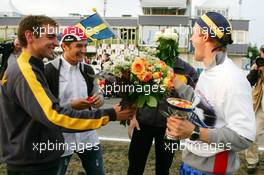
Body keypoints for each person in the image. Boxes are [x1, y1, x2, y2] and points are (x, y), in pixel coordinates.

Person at [0, 15, 135, 175]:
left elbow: (41, 110)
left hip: (63, 145)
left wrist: (98, 99)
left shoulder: (34, 67)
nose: (56, 43)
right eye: (51, 37)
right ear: (30, 36)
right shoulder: (31, 70)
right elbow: (53, 115)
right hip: (35, 158)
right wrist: (110, 114)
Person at [166, 12, 256, 174]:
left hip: (212, 170)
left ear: (205, 36)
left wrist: (194, 132)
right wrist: (175, 81)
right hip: (191, 163)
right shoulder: (211, 70)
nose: (191, 39)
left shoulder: (232, 79)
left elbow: (244, 138)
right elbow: (203, 104)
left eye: (193, 33)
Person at [45, 26, 105, 175]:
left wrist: (99, 100)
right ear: (64, 46)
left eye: (85, 45)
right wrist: (71, 106)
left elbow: (98, 94)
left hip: (87, 135)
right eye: (79, 46)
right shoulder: (48, 70)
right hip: (60, 137)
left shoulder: (88, 70)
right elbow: (45, 108)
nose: (84, 50)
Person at [127, 54, 199, 174]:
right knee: (135, 167)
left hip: (170, 128)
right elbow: (134, 90)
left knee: (163, 169)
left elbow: (194, 101)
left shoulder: (188, 70)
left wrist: (182, 120)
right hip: (142, 124)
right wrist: (133, 117)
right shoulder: (148, 64)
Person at [245, 45, 264, 174]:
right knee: (253, 133)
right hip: (259, 106)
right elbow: (248, 82)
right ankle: (252, 161)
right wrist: (257, 69)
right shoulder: (257, 66)